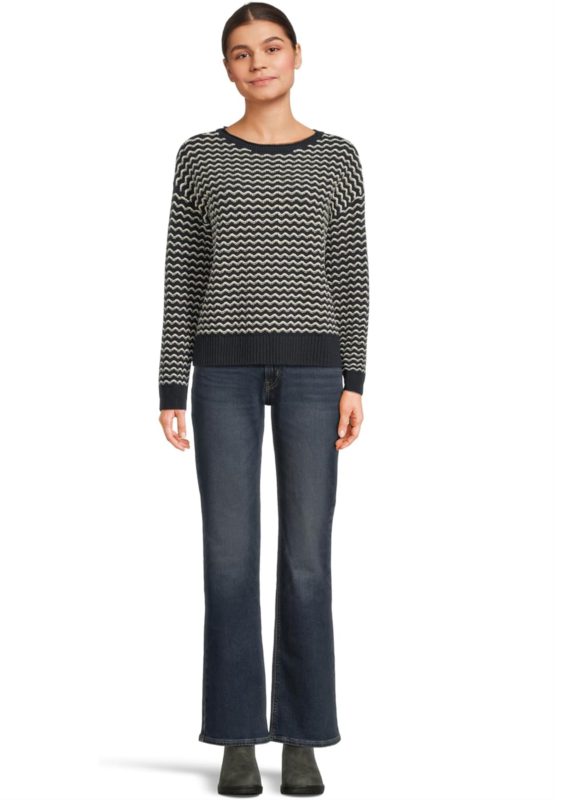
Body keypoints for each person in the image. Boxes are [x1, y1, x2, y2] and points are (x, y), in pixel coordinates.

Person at [157, 3, 369, 795]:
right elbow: (182, 273)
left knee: (307, 559)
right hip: (223, 375)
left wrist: (355, 379)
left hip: (315, 373)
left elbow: (350, 271)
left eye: (271, 47)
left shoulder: (338, 158)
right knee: (229, 558)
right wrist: (170, 381)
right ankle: (238, 735)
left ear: (297, 55)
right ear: (227, 68)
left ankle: (304, 734)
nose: (259, 63)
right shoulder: (199, 157)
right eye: (242, 53)